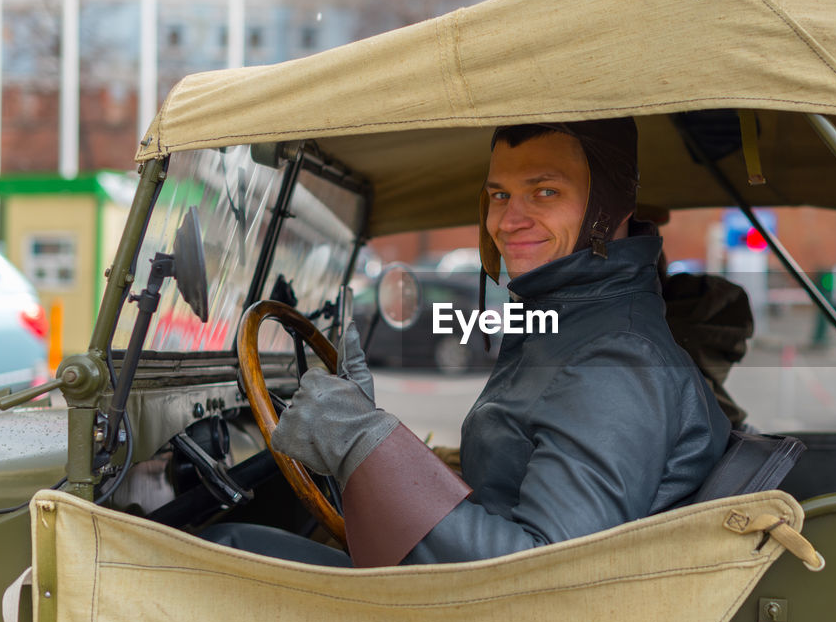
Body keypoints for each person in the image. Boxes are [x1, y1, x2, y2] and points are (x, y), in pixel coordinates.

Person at [268, 118, 730, 567]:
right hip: (476, 604)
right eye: (499, 196)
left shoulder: (615, 360)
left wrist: (360, 443)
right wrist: (374, 448)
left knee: (228, 543)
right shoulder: (570, 322)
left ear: (608, 206)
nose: (508, 221)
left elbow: (542, 571)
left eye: (545, 192)